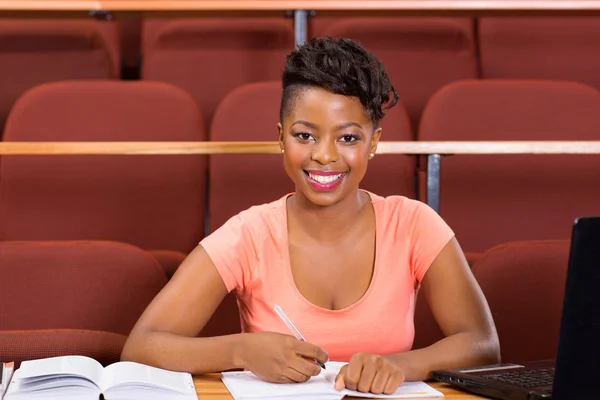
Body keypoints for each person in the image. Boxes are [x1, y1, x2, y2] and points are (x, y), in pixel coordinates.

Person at [121, 36, 500, 395]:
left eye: (348, 138)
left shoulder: (414, 224)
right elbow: (142, 347)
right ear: (281, 138)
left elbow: (482, 345)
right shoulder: (249, 234)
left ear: (374, 144)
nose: (324, 155)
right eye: (305, 136)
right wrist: (240, 351)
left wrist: (401, 365)